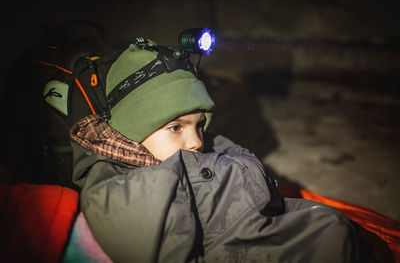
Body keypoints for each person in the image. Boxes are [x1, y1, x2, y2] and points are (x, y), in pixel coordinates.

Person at [66, 39, 360, 262]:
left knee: (333, 227)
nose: (195, 141)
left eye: (199, 125)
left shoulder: (180, 150)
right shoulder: (115, 183)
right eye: (176, 127)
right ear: (131, 131)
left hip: (258, 226)